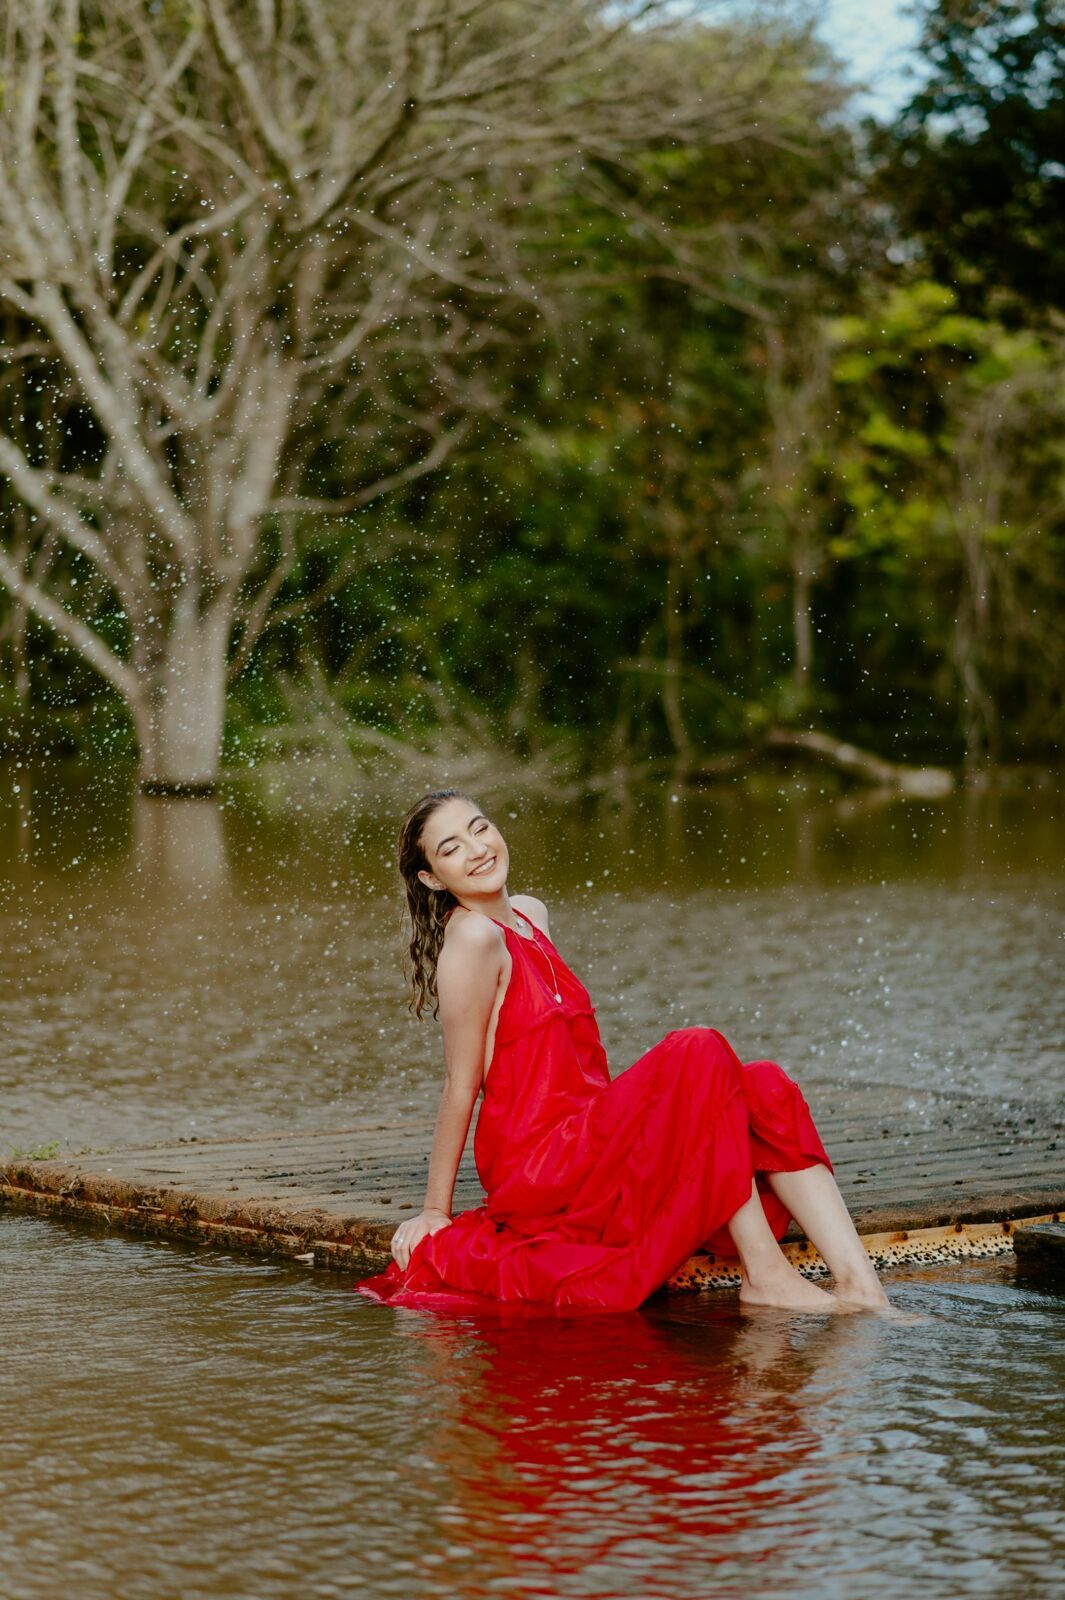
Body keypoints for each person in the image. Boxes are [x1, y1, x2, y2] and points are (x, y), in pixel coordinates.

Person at [354, 789, 890, 1315]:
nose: (476, 849)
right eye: (450, 849)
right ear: (430, 878)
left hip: (592, 1134)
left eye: (479, 828)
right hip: (540, 1164)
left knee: (765, 1084)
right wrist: (433, 1210)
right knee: (697, 1050)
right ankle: (766, 1273)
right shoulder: (471, 939)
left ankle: (861, 1286)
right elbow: (460, 1083)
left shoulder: (530, 915)